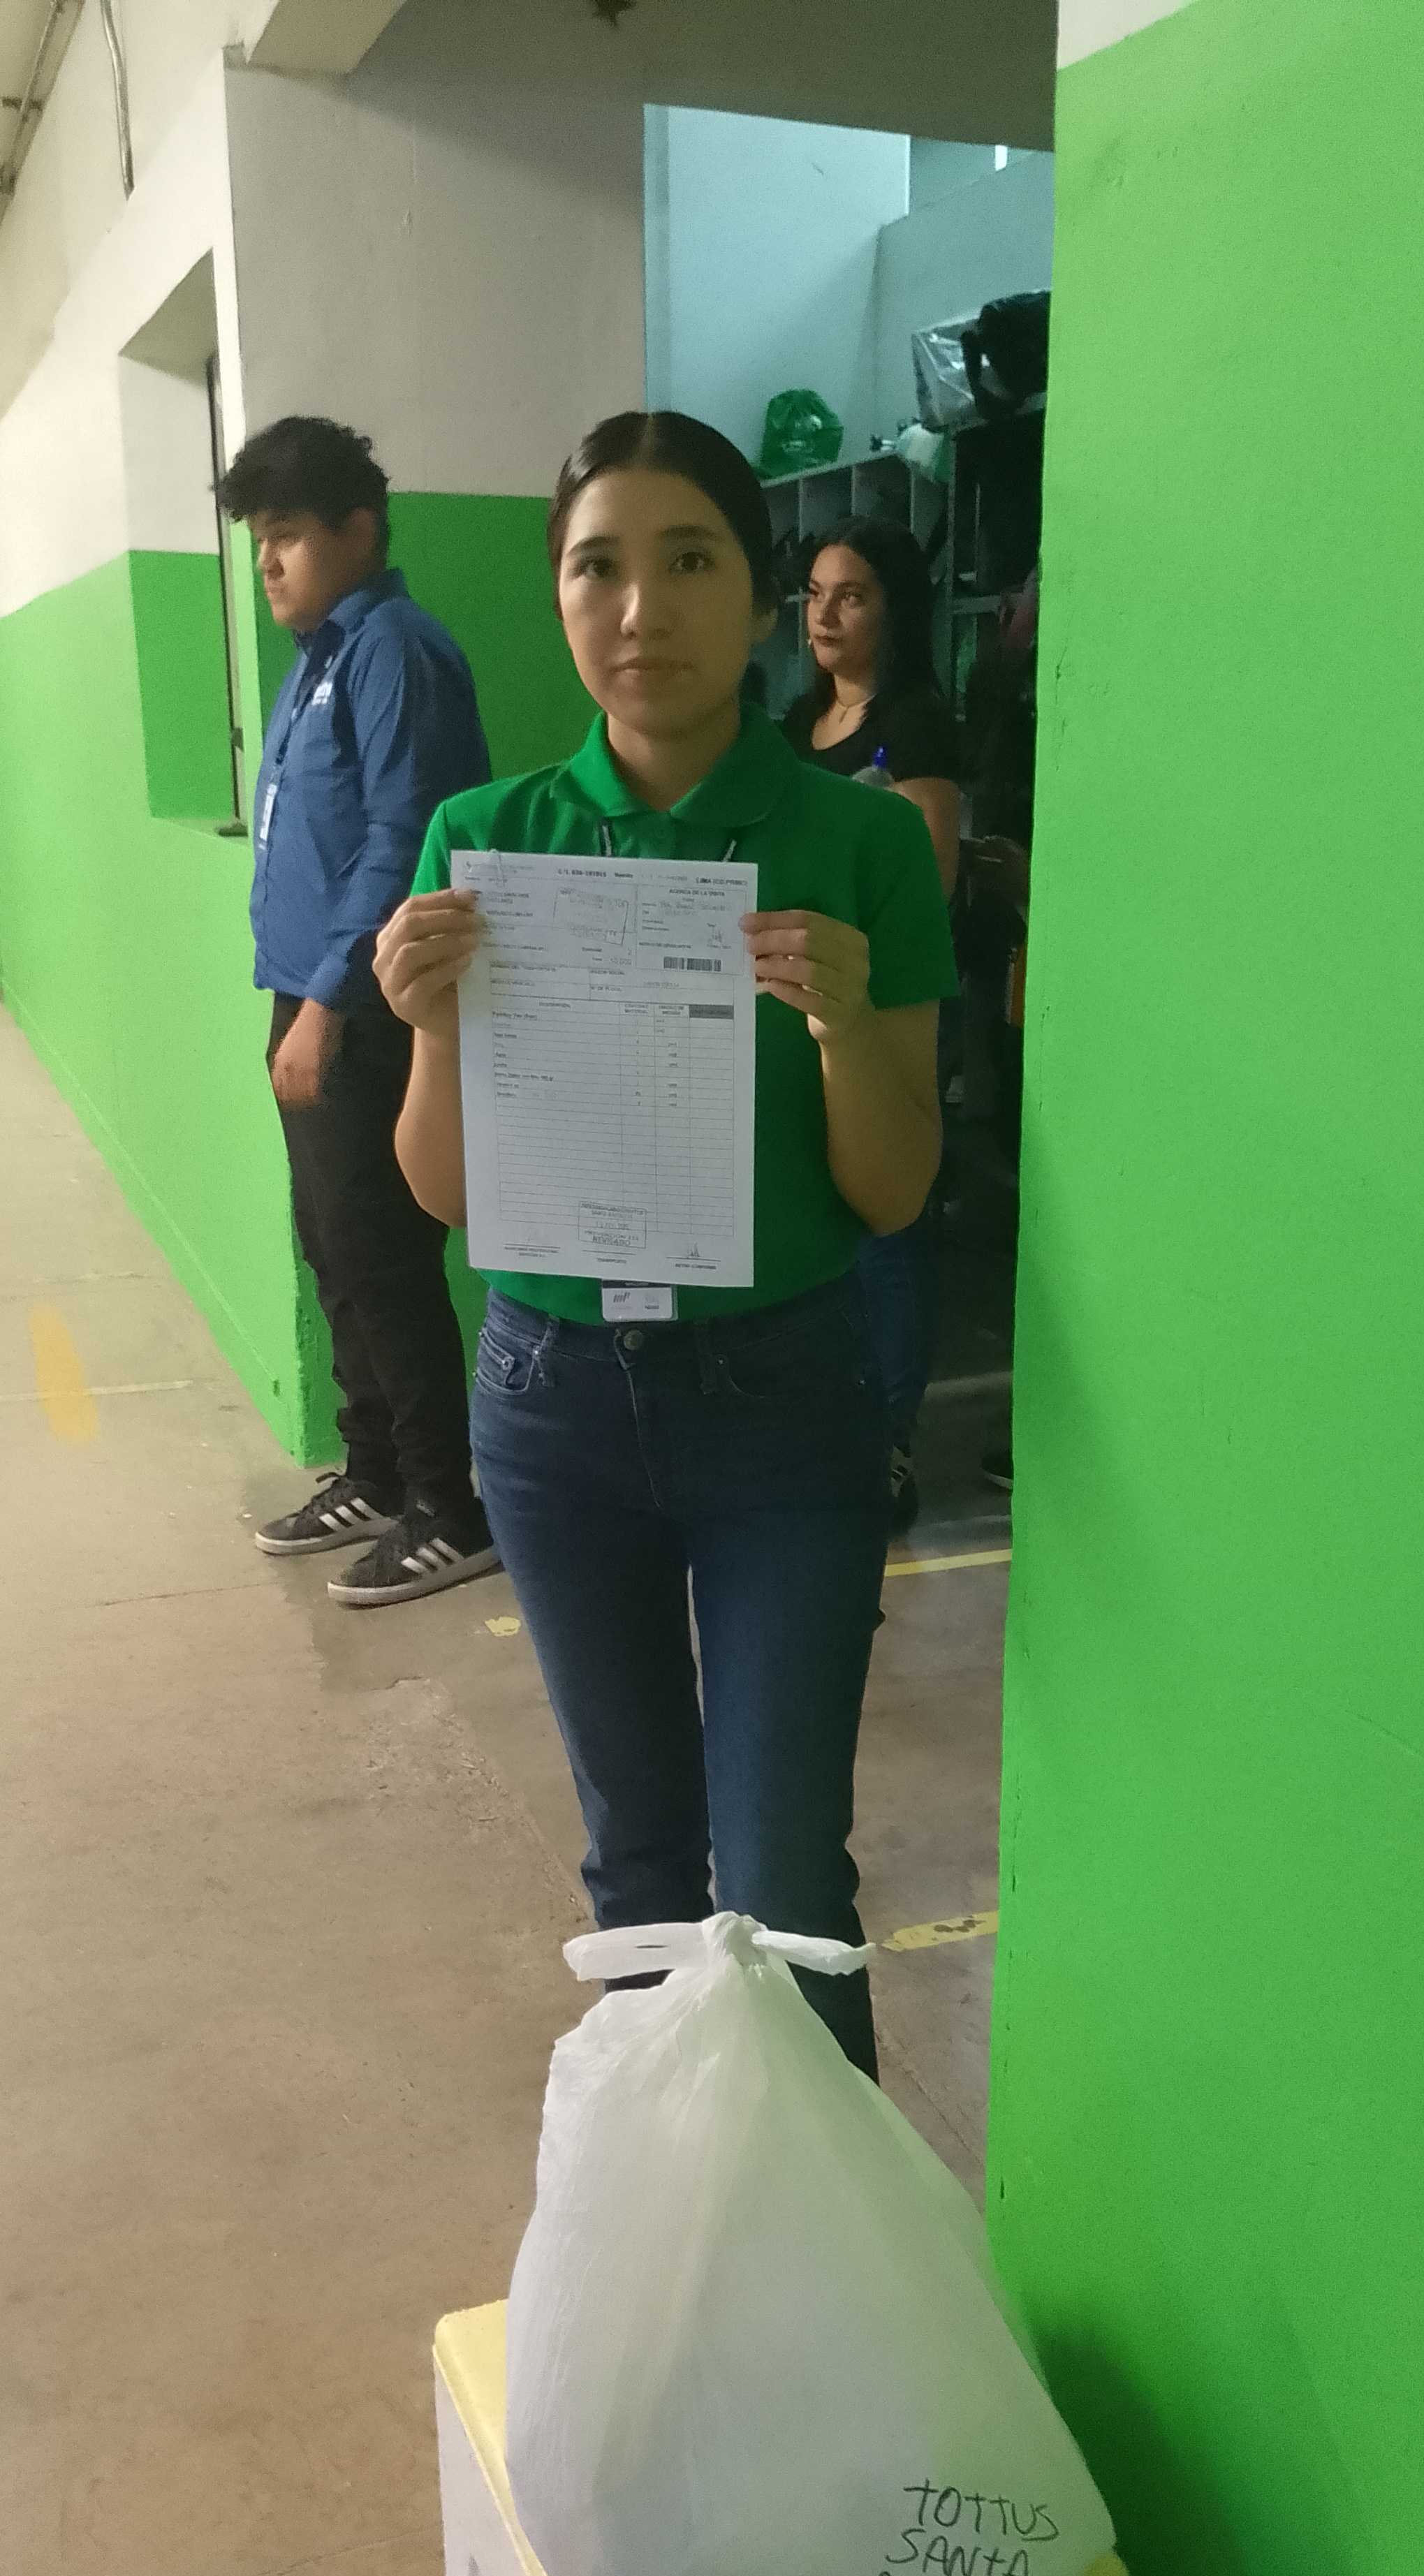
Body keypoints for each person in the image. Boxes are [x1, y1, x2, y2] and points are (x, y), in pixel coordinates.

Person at [372, 413, 955, 2073]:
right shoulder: (489, 841)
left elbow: (896, 1192)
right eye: (598, 568)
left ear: (760, 596)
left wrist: (845, 1027)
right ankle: (660, 2212)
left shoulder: (859, 842)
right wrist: (430, 1029)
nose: (643, 609)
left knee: (782, 1887)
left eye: (689, 560)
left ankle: (809, 2228)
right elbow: (445, 1193)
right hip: (550, 1405)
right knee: (636, 1873)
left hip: (786, 1409)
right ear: (560, 599)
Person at [216, 416, 501, 1607]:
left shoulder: (396, 653)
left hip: (365, 1009)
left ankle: (448, 1505)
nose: (268, 561)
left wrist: (328, 1007)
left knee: (380, 1255)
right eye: (259, 541)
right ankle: (377, 1473)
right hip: (306, 998)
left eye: (287, 534)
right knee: (331, 1246)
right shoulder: (319, 658)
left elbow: (402, 842)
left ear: (359, 529)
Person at [781, 520, 964, 1529]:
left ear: (894, 609)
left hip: (885, 1007)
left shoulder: (916, 724)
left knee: (889, 1229)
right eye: (815, 593)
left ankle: (889, 1441)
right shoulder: (790, 723)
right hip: (797, 1009)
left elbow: (928, 881)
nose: (825, 615)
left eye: (850, 595)